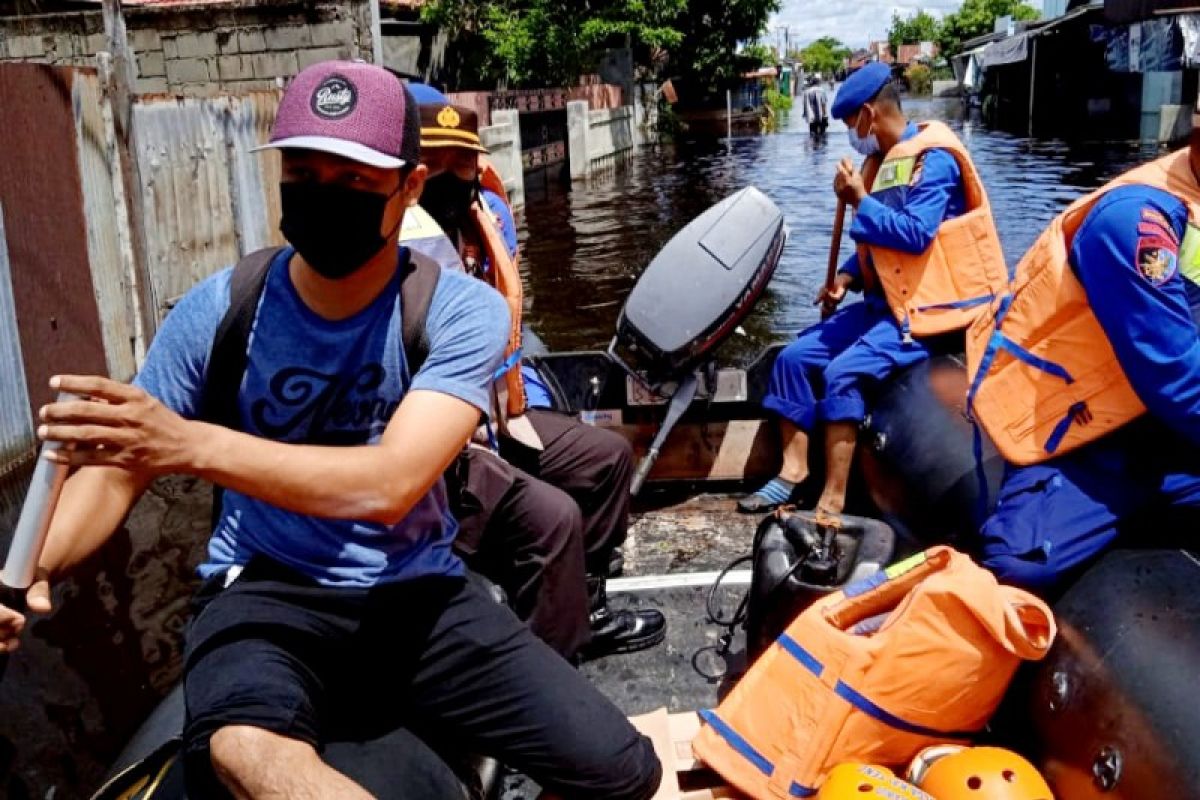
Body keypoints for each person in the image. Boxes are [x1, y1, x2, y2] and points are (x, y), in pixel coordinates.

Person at [0, 61, 662, 800]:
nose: (324, 195)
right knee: (249, 753)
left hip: (413, 593)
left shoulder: (458, 312)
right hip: (264, 592)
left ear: (408, 188)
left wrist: (187, 445)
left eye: (353, 180)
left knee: (624, 770)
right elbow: (119, 472)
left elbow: (390, 484)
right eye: (304, 171)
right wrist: (29, 573)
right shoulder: (219, 312)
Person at [405, 82, 666, 661]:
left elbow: (505, 329)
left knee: (606, 460)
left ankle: (587, 609)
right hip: (442, 431)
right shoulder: (392, 236)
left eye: (463, 160)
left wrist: (518, 405)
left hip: (500, 411)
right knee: (554, 518)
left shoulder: (489, 216)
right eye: (435, 162)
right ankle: (545, 663)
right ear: (411, 171)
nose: (451, 175)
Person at [739, 62, 1007, 517]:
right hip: (886, 304)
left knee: (843, 373)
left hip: (930, 313)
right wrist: (847, 278)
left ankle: (834, 497)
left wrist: (859, 199)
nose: (849, 134)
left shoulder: (932, 160)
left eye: (849, 124)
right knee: (792, 360)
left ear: (868, 115)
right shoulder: (880, 161)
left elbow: (917, 235)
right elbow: (879, 248)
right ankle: (793, 471)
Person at [967, 114, 1200, 591]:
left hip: (1172, 431)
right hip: (1089, 436)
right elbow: (1176, 377)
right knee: (1023, 568)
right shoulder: (1137, 220)